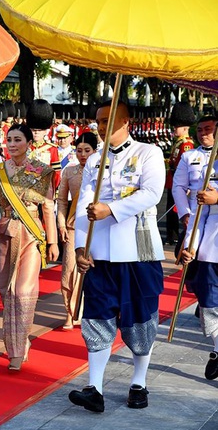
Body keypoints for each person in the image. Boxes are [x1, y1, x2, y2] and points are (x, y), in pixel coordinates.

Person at [69, 101, 165, 413]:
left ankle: (139, 383)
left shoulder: (148, 153)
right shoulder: (94, 160)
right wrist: (80, 248)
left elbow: (152, 192)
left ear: (126, 121)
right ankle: (94, 387)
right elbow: (84, 206)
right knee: (96, 316)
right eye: (97, 120)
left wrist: (111, 208)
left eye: (108, 120)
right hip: (101, 254)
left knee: (139, 318)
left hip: (138, 251)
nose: (100, 125)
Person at [0, 123, 59, 371]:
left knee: (23, 291)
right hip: (5, 233)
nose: (12, 144)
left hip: (32, 234)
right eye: (9, 140)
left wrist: (53, 241)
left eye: (17, 139)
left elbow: (48, 207)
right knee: (6, 291)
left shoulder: (41, 172)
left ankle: (15, 351)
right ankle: (19, 338)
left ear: (28, 142)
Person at [180, 166, 218, 381]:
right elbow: (199, 213)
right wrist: (191, 245)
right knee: (209, 304)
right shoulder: (210, 167)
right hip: (211, 248)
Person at [56, 132, 97, 330]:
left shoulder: (103, 170)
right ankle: (70, 312)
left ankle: (92, 310)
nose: (82, 155)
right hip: (74, 225)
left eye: (87, 151)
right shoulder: (69, 172)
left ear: (95, 151)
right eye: (79, 151)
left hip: (99, 226)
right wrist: (61, 225)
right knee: (69, 269)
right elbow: (62, 201)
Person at [172, 115, 215, 255]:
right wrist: (185, 213)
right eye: (199, 130)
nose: (203, 134)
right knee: (191, 256)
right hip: (195, 212)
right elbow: (178, 186)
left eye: (208, 130)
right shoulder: (189, 156)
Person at [165, 102, 196, 247]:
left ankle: (176, 236)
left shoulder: (187, 144)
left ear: (185, 128)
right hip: (172, 181)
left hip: (179, 181)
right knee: (170, 210)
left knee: (176, 211)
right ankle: (171, 236)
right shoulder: (178, 142)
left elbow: (185, 166)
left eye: (177, 127)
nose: (174, 129)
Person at [26, 100, 61, 189]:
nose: (36, 133)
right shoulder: (25, 147)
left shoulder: (52, 149)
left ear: (45, 131)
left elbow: (56, 174)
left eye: (39, 130)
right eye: (33, 130)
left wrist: (52, 190)